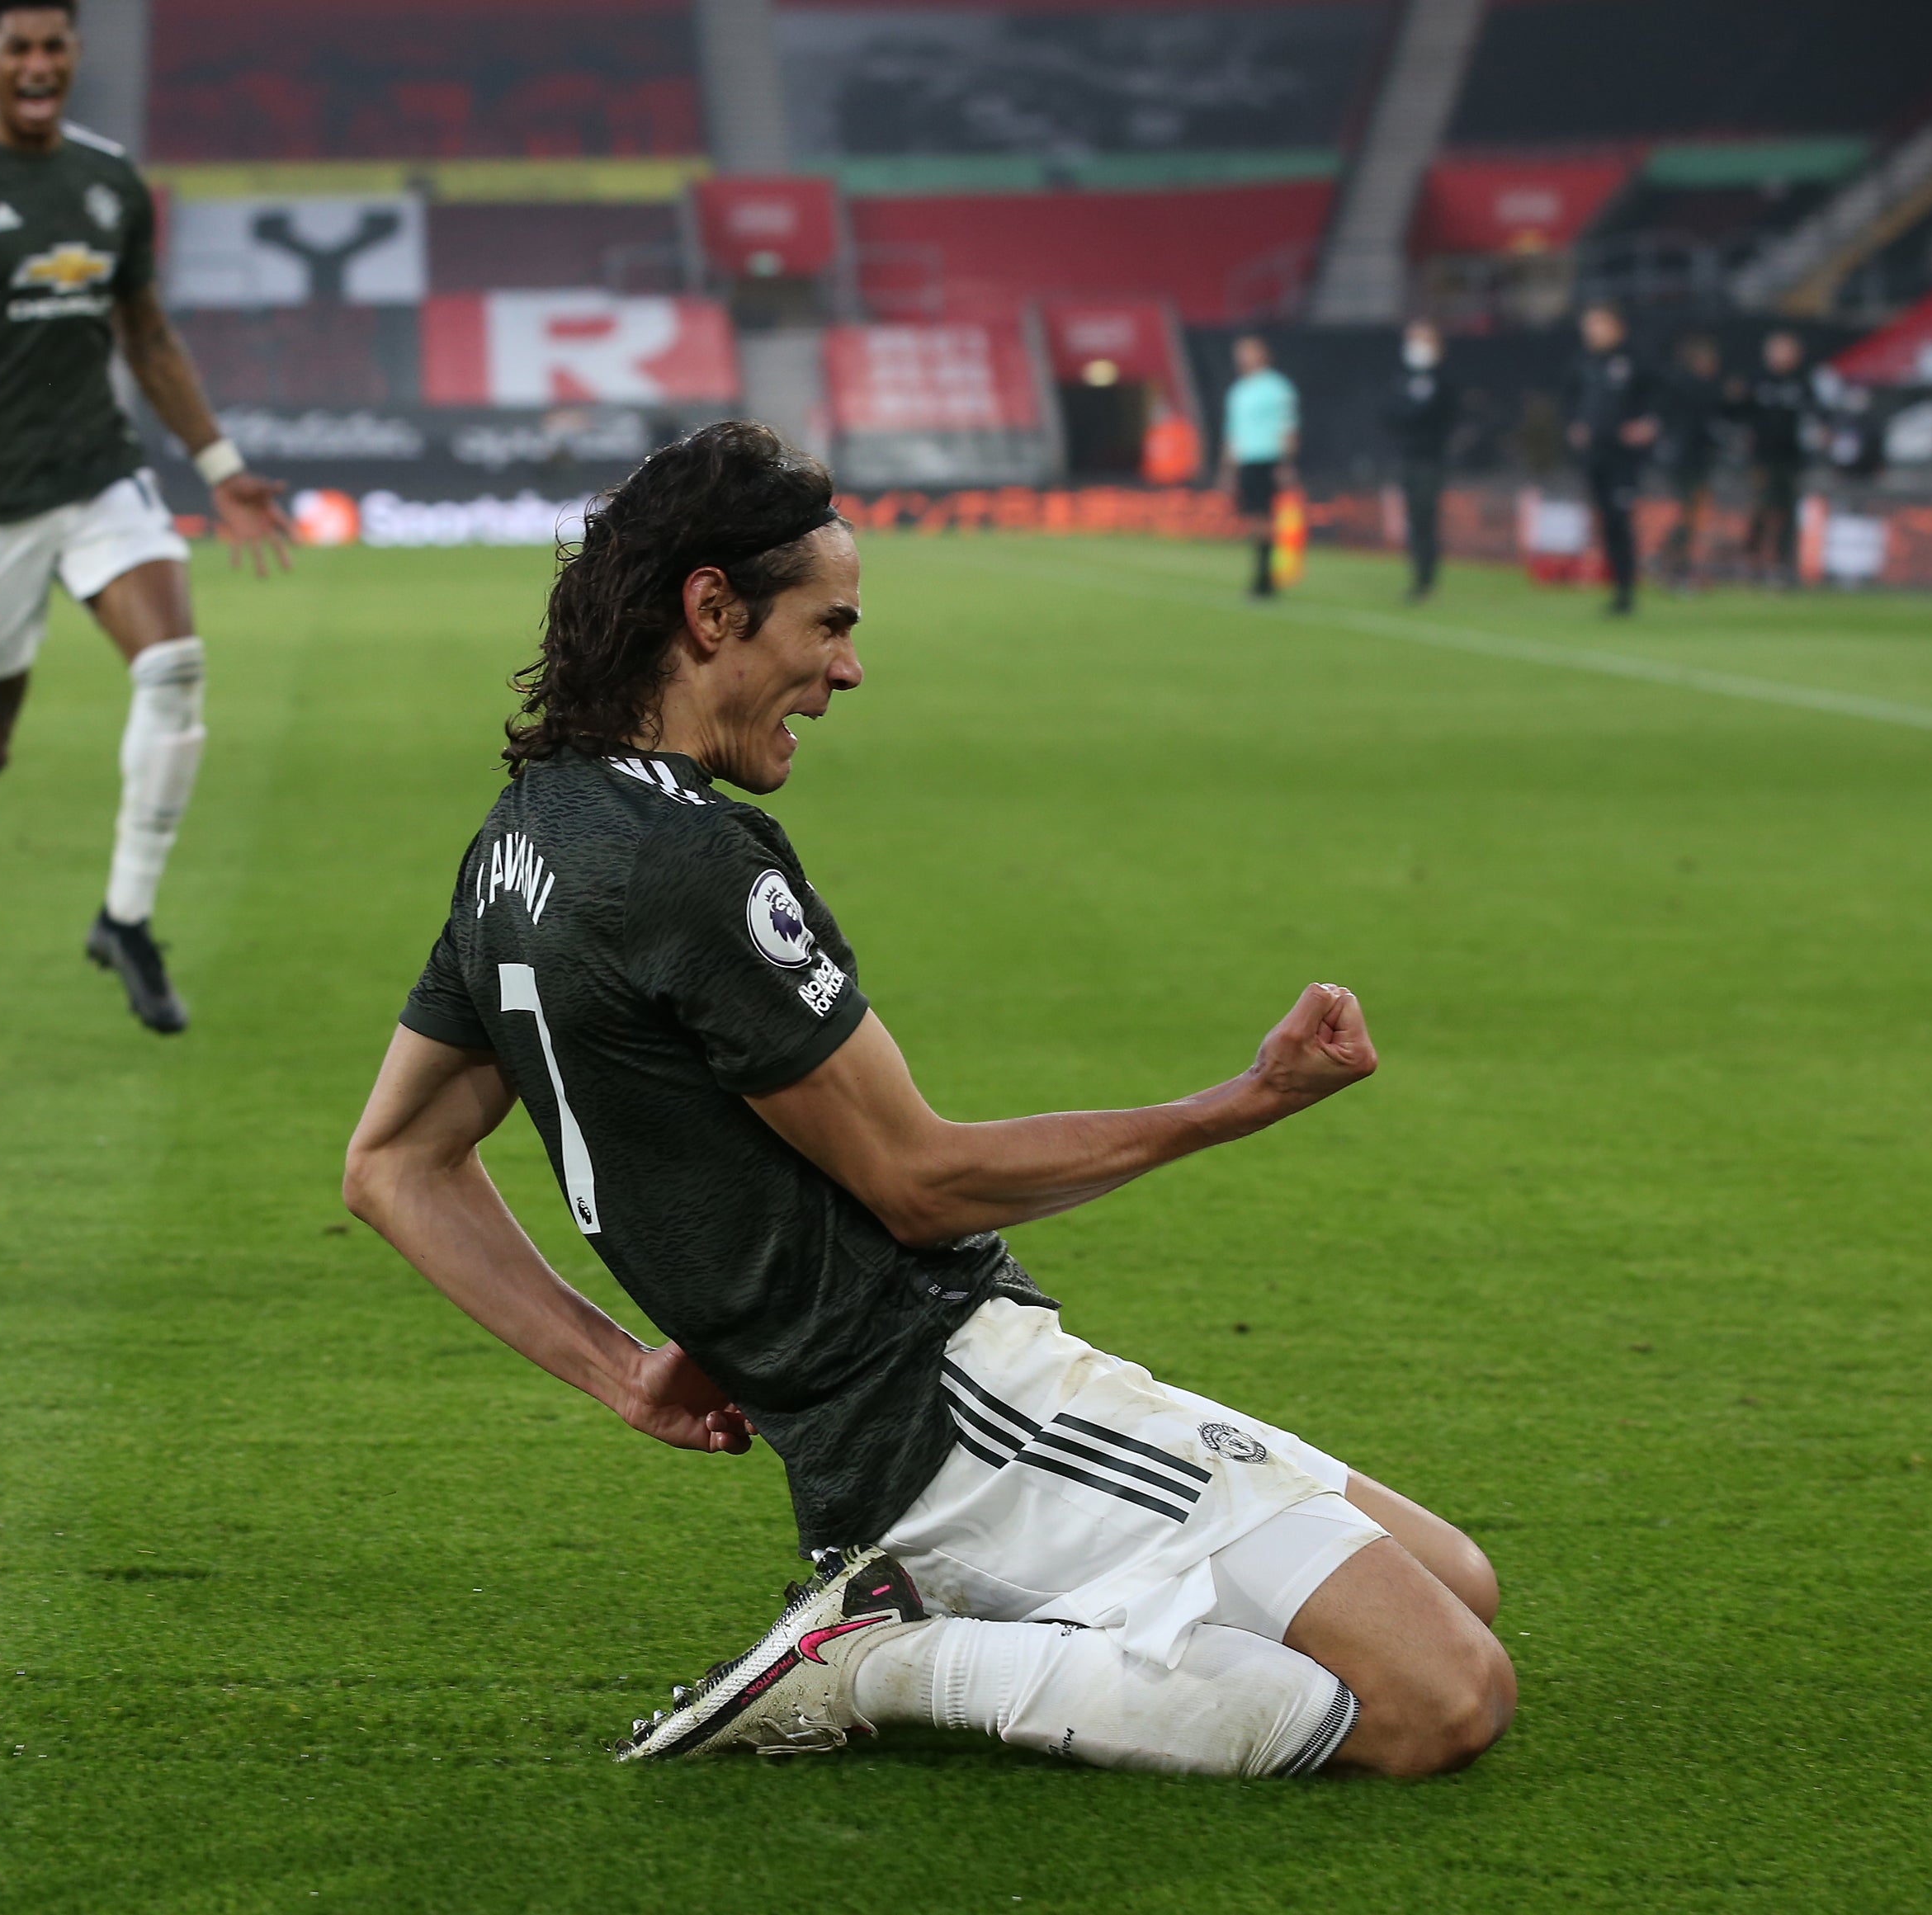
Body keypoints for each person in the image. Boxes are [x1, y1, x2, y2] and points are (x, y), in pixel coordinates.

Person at [344, 421, 1514, 1780]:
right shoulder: (689, 861)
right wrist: (1239, 1101)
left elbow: (393, 1164)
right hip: (951, 1402)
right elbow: (919, 1180)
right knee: (1443, 1696)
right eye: (825, 625)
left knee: (1456, 1581)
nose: (846, 669)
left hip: (879, 1409)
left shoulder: (517, 845)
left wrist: (627, 1372)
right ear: (712, 609)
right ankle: (891, 1656)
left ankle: (993, 1604)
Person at [0, 0, 292, 1032]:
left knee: (174, 668)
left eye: (55, 44)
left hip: (100, 478)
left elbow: (147, 336)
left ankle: (127, 918)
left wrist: (220, 465)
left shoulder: (108, 181)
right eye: (18, 45)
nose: (38, 62)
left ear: (74, 55)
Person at [1563, 304, 1660, 616]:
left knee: (1621, 520)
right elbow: (1570, 400)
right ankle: (1616, 585)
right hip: (1595, 456)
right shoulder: (1583, 362)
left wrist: (1649, 423)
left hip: (1624, 458)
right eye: (1589, 325)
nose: (1592, 331)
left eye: (1599, 324)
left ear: (1617, 326)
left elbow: (1663, 397)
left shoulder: (1636, 361)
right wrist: (1574, 425)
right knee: (1606, 521)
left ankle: (1626, 590)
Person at [1215, 335, 1299, 599]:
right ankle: (1261, 573)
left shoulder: (1278, 388)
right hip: (1246, 461)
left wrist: (1286, 462)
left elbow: (1288, 428)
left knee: (1265, 516)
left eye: (1247, 352)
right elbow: (1232, 434)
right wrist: (1227, 470)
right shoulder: (1238, 391)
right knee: (1253, 518)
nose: (1242, 358)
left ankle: (1265, 577)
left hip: (1268, 458)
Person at [1731, 331, 1812, 587]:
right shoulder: (1756, 380)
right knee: (1762, 507)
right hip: (1762, 458)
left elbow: (1815, 414)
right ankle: (1751, 558)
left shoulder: (1803, 382)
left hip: (1791, 458)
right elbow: (1737, 414)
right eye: (1779, 350)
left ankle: (1782, 564)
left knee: (1787, 511)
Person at [1386, 319, 1456, 601]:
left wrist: (1413, 416)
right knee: (1413, 518)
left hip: (1431, 458)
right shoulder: (1402, 378)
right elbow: (1391, 413)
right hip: (1408, 457)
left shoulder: (1443, 379)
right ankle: (1418, 575)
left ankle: (1426, 578)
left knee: (1427, 516)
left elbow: (1439, 416)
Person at [1656, 334, 1723, 592]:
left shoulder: (1686, 386)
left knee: (1691, 513)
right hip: (1686, 459)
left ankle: (1675, 562)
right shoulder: (1693, 387)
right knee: (1688, 512)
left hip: (1690, 458)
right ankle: (1672, 562)